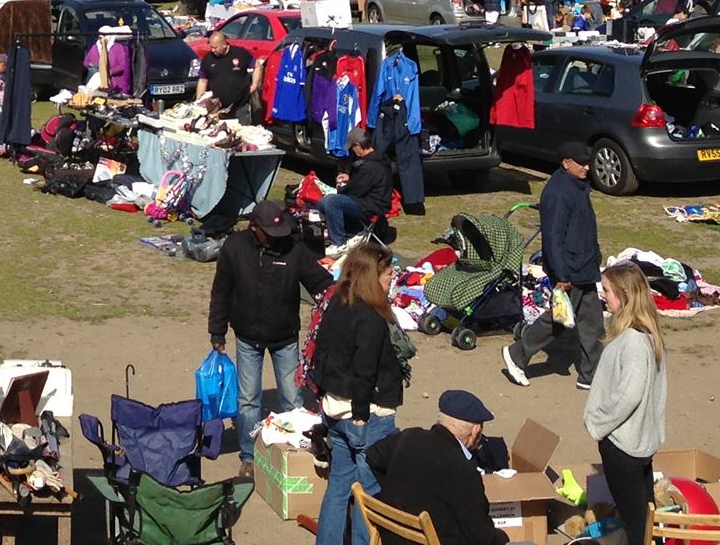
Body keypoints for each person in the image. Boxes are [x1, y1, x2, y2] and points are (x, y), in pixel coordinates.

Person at [208, 198, 334, 477]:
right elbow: (221, 291)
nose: (278, 238)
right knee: (248, 400)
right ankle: (249, 457)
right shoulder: (234, 247)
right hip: (246, 336)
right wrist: (217, 331)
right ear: (255, 228)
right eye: (270, 232)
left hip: (285, 337)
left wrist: (339, 304)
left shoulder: (294, 249)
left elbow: (321, 283)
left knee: (292, 400)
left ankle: (295, 453)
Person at [309, 243, 408, 545]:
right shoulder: (372, 316)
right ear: (373, 276)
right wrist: (362, 415)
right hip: (366, 415)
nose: (393, 279)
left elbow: (319, 353)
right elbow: (365, 370)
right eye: (389, 274)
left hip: (334, 409)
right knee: (370, 494)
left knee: (339, 487)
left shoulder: (337, 303)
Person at [504, 143, 602, 389]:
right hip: (570, 269)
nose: (587, 167)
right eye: (582, 163)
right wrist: (561, 274)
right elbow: (553, 238)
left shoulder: (577, 187)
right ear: (566, 162)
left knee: (591, 322)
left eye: (588, 162)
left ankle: (590, 375)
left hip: (584, 265)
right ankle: (517, 355)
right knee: (559, 320)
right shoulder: (558, 193)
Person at [583, 263, 668, 545]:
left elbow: (629, 395)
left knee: (636, 527)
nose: (603, 295)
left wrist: (597, 423)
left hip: (623, 445)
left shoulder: (633, 341)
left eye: (607, 290)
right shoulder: (648, 334)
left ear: (624, 294)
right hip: (638, 443)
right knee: (644, 522)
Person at [364, 390, 507, 545]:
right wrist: (503, 537)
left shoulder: (409, 437)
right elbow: (483, 537)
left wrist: (398, 492)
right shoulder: (463, 470)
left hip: (392, 538)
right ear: (476, 430)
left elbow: (373, 456)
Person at [316, 128, 394, 249]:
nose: (353, 150)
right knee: (322, 202)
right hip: (372, 200)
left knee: (331, 202)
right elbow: (364, 183)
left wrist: (341, 188)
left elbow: (354, 191)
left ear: (358, 145)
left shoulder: (369, 166)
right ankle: (345, 232)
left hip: (371, 205)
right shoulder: (378, 158)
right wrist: (349, 178)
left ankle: (338, 243)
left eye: (353, 147)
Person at [195, 29, 257, 123]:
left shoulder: (240, 53)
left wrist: (254, 85)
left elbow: (257, 66)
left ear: (224, 44)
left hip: (240, 105)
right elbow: (203, 80)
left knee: (240, 133)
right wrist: (199, 101)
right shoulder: (208, 58)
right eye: (211, 47)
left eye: (215, 47)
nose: (213, 50)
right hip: (217, 108)